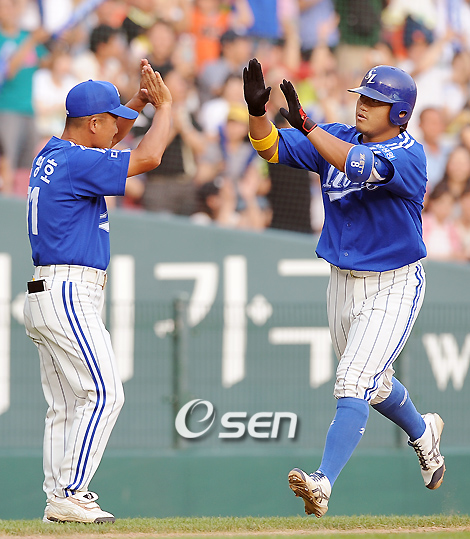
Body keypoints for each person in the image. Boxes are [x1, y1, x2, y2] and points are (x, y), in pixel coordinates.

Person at [243, 58, 445, 517]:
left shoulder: (409, 154)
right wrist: (257, 113)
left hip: (393, 282)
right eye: (363, 97)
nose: (363, 105)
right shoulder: (335, 135)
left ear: (399, 113)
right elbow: (269, 147)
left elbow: (355, 165)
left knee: (353, 380)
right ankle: (423, 432)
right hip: (342, 282)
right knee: (373, 384)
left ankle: (323, 482)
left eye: (376, 101)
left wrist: (309, 126)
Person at [23, 59, 172, 524]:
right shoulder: (77, 161)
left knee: (66, 405)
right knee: (105, 393)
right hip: (69, 290)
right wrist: (165, 107)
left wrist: (137, 102)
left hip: (47, 290)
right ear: (92, 123)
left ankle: (57, 499)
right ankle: (71, 492)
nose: (118, 130)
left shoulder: (54, 153)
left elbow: (108, 142)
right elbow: (148, 158)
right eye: (111, 121)